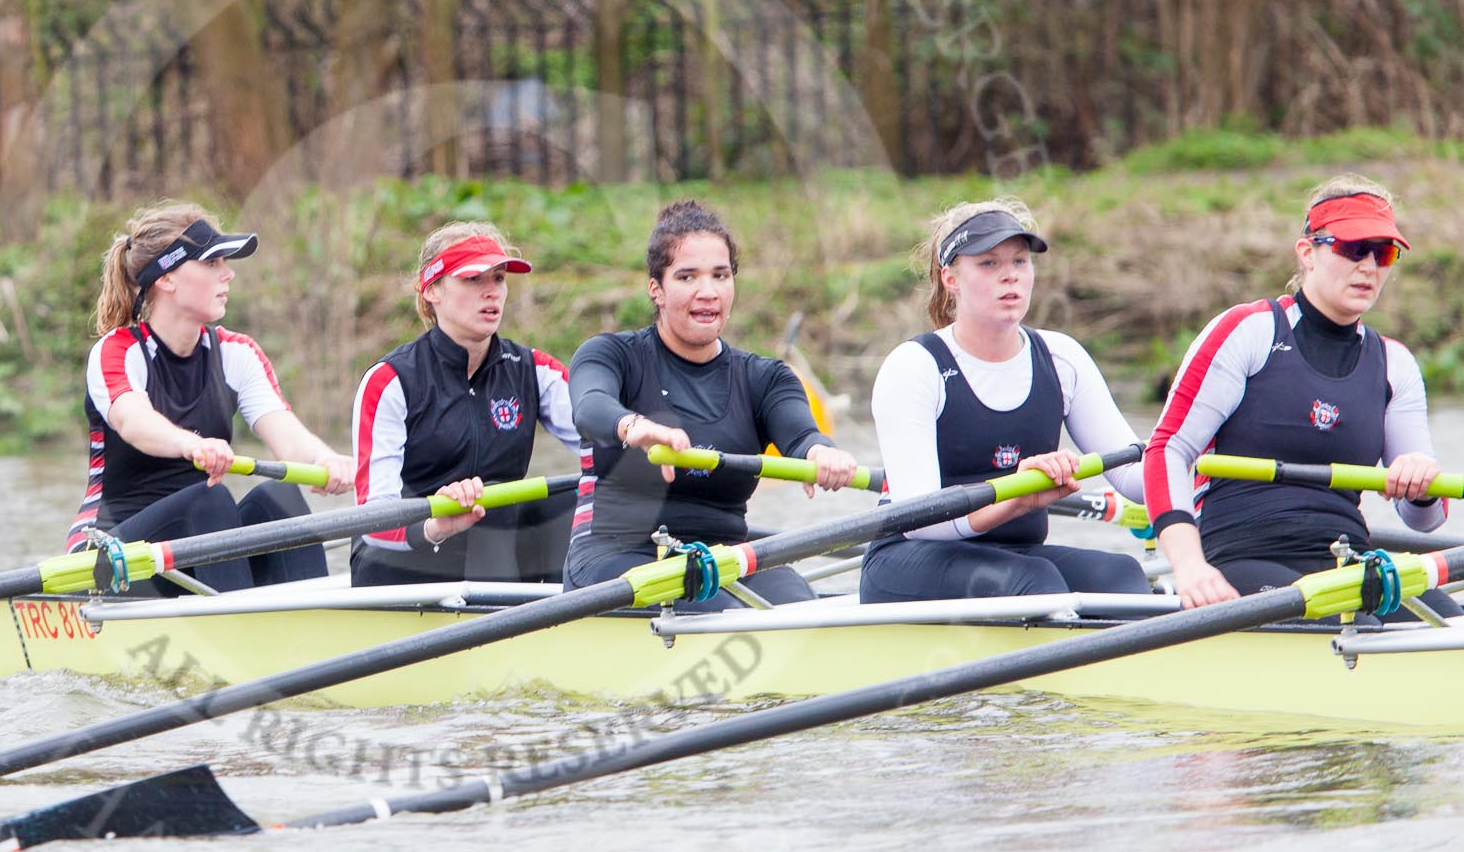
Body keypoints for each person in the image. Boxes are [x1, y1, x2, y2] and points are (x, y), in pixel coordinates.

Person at [1145, 177, 1457, 618]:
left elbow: (1425, 519)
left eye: (1383, 252)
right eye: (1353, 248)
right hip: (1239, 559)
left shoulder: (1395, 364)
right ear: (1307, 253)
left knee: (1451, 625)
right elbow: (1167, 450)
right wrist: (1189, 567)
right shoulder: (1249, 331)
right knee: (1354, 621)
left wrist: (1420, 484)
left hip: (1345, 563)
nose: (1369, 267)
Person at [564, 199, 861, 609]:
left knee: (803, 610)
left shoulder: (766, 378)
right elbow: (590, 406)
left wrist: (822, 452)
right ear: (656, 289)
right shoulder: (611, 356)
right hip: (616, 555)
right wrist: (634, 426)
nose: (708, 292)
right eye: (687, 276)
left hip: (721, 556)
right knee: (723, 612)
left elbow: (803, 436)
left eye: (720, 275)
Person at [861, 198, 1151, 603]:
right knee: (1035, 581)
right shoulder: (915, 367)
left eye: (1019, 261)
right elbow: (922, 521)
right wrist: (1015, 498)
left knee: (1121, 573)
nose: (1010, 275)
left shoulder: (1062, 358)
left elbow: (1135, 478)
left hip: (1014, 557)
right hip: (911, 557)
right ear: (951, 279)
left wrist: (1193, 450)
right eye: (989, 263)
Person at [64, 201, 353, 594]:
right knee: (209, 499)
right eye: (212, 263)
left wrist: (325, 459)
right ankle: (236, 621)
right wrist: (192, 445)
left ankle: (317, 617)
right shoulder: (117, 351)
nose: (228, 274)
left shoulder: (237, 353)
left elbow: (288, 436)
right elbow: (133, 421)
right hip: (110, 553)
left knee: (278, 496)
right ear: (167, 278)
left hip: (196, 553)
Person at [350, 222, 580, 585]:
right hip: (405, 558)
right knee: (488, 512)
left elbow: (609, 443)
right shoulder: (390, 380)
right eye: (473, 278)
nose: (491, 292)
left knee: (571, 497)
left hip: (493, 549)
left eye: (499, 278)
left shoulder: (535, 371)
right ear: (432, 290)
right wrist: (436, 526)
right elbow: (372, 521)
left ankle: (574, 606)